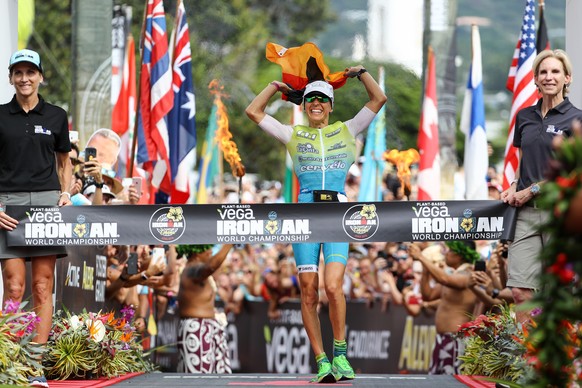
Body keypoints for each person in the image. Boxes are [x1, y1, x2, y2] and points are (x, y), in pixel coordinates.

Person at [246, 66, 386, 383]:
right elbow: (253, 111)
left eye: (322, 99)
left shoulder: (348, 129)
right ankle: (321, 360)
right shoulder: (294, 134)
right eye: (311, 100)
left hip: (338, 212)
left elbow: (379, 98)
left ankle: (340, 355)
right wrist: (274, 85)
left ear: (331, 105)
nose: (316, 104)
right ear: (304, 105)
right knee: (309, 291)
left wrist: (361, 73)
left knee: (334, 287)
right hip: (305, 213)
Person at [0, 48, 72, 387]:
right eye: (18, 72)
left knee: (43, 287)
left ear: (41, 76)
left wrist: (66, 192)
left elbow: (64, 162)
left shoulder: (57, 116)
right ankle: (11, 362)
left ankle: (35, 368)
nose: (25, 78)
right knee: (14, 287)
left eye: (31, 72)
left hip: (45, 204)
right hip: (8, 205)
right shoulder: (0, 116)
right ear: (11, 78)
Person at [501, 49, 582, 324]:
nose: (549, 77)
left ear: (567, 78)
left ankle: (564, 361)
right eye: (543, 72)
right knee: (521, 291)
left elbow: (572, 172)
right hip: (525, 214)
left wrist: (532, 189)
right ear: (535, 79)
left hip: (560, 213)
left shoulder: (576, 118)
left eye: (555, 71)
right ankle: (528, 361)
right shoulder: (524, 116)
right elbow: (522, 161)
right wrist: (514, 185)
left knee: (562, 292)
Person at [408, 241, 480, 375]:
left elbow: (445, 279)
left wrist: (422, 257)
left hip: (457, 340)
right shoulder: (453, 274)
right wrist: (425, 268)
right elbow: (428, 295)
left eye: (449, 251)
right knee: (436, 383)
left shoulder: (470, 274)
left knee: (452, 383)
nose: (445, 254)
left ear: (459, 256)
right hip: (442, 339)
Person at [176, 244, 234, 374]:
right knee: (199, 380)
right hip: (196, 329)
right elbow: (211, 266)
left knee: (219, 378)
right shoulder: (191, 270)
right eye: (207, 249)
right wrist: (230, 243)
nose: (210, 252)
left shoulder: (199, 272)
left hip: (210, 328)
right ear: (197, 253)